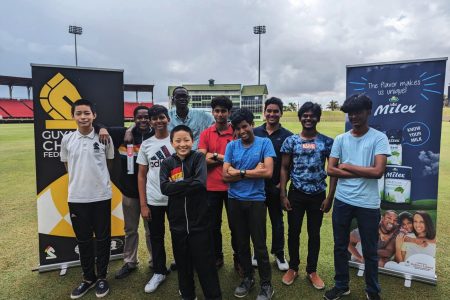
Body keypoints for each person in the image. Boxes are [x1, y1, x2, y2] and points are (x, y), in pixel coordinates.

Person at [325, 94, 390, 300]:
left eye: (358, 112)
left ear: (368, 112)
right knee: (340, 246)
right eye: (350, 113)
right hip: (343, 201)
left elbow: (378, 171)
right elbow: (330, 169)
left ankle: (372, 291)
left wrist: (348, 166)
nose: (354, 116)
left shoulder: (378, 138)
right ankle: (341, 285)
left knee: (370, 250)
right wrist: (361, 170)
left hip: (368, 204)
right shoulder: (341, 139)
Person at [60, 99, 114, 299]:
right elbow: (67, 167)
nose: (83, 117)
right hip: (77, 198)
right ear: (73, 116)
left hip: (101, 197)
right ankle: (88, 278)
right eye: (79, 113)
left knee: (102, 239)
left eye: (87, 113)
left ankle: (101, 278)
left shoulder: (104, 138)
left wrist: (98, 182)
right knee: (83, 240)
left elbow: (108, 164)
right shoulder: (67, 140)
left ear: (94, 116)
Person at [160, 125, 222, 300]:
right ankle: (188, 295)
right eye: (178, 141)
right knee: (183, 265)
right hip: (178, 225)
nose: (182, 144)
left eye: (186, 140)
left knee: (206, 266)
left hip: (200, 224)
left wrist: (176, 186)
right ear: (172, 142)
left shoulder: (198, 158)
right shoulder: (167, 163)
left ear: (192, 141)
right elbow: (164, 188)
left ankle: (214, 296)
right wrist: (189, 182)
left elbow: (200, 183)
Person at [279, 102, 335, 289]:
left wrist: (330, 198)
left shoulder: (327, 142)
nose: (308, 118)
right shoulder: (291, 141)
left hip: (318, 195)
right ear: (300, 117)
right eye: (305, 115)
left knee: (314, 233)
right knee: (293, 232)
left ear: (318, 118)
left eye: (312, 116)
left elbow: (333, 171)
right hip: (296, 194)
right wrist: (283, 194)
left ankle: (312, 270)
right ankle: (293, 268)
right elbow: (284, 168)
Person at [223, 108, 276, 300]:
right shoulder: (232, 146)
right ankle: (248, 278)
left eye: (244, 126)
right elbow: (224, 176)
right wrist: (253, 170)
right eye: (237, 128)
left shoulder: (264, 143)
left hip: (255, 201)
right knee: (241, 244)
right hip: (234, 200)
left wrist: (239, 172)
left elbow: (268, 173)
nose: (242, 131)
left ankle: (266, 284)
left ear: (252, 124)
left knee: (259, 245)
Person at [97, 106, 154, 279]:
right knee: (130, 229)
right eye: (139, 117)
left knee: (151, 230)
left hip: (151, 192)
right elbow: (96, 125)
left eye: (146, 117)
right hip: (129, 192)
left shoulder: (155, 135)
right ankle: (130, 261)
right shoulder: (122, 133)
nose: (143, 120)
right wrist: (106, 129)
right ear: (134, 118)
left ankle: (155, 261)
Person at [136, 105, 175, 293]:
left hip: (176, 198)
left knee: (180, 236)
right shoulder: (146, 144)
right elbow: (142, 175)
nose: (159, 121)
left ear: (167, 118)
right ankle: (159, 271)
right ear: (150, 122)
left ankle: (183, 267)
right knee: (156, 237)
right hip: (154, 199)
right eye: (155, 118)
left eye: (162, 117)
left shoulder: (177, 140)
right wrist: (143, 204)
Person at [198, 96, 239, 270]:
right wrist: (225, 159)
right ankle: (217, 256)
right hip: (211, 188)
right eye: (217, 111)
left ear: (229, 113)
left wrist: (213, 155)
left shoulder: (236, 132)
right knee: (213, 225)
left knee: (236, 226)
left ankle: (239, 259)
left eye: (223, 111)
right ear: (213, 112)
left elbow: (239, 160)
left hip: (233, 187)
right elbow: (201, 159)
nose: (220, 114)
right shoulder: (206, 133)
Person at [253, 97, 293, 271]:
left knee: (277, 221)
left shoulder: (288, 136)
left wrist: (282, 186)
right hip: (256, 187)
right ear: (264, 112)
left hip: (276, 187)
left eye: (276, 111)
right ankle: (257, 251)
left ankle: (279, 253)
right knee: (257, 222)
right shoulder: (255, 132)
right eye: (269, 111)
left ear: (281, 113)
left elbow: (290, 165)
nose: (272, 114)